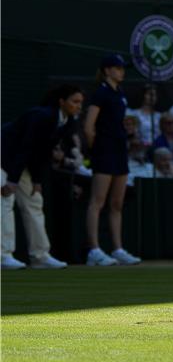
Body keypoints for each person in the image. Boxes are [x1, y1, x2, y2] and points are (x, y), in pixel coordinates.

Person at [1, 85, 83, 270]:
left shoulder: (67, 121)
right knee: (5, 201)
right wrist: (12, 180)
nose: (79, 106)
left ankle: (40, 255)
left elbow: (43, 152)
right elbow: (26, 147)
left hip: (19, 161)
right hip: (4, 156)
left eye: (80, 103)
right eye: (75, 102)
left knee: (34, 201)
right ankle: (3, 255)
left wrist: (36, 180)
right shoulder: (42, 116)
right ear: (62, 102)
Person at [83, 55, 141, 266]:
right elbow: (89, 127)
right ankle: (94, 250)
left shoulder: (120, 93)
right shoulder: (101, 93)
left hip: (119, 153)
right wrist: (97, 148)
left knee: (116, 204)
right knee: (97, 202)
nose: (121, 72)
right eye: (117, 68)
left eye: (122, 68)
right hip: (104, 152)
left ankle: (117, 249)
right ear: (107, 70)